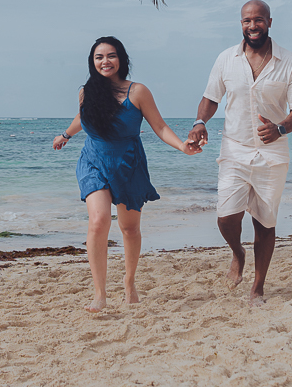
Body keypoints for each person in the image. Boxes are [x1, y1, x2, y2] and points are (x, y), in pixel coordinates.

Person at [53, 36, 200, 311]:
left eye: (110, 56)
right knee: (98, 221)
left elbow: (159, 126)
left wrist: (182, 145)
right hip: (93, 159)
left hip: (128, 162)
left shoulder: (138, 92)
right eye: (99, 57)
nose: (105, 61)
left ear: (121, 59)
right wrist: (65, 135)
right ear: (92, 61)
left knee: (129, 228)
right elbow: (82, 117)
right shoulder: (87, 92)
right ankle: (100, 294)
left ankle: (129, 282)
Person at [187, 0, 292, 305]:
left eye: (257, 20)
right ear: (241, 23)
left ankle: (258, 287)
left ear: (269, 21)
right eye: (246, 21)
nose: (252, 26)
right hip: (234, 150)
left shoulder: (290, 62)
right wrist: (200, 121)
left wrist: (280, 128)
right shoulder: (226, 59)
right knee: (226, 217)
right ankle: (238, 253)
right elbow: (210, 97)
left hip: (273, 153)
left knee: (265, 222)